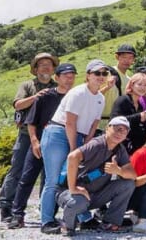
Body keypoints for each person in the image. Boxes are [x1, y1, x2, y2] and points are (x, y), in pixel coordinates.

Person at [39, 59, 107, 234]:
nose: (101, 77)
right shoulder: (78, 93)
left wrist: (85, 146)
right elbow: (70, 122)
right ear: (88, 76)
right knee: (54, 180)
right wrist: (73, 148)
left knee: (76, 179)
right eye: (97, 73)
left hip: (80, 136)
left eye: (104, 73)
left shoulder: (100, 98)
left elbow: (94, 125)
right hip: (59, 134)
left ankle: (83, 218)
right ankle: (46, 221)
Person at [7, 62, 76, 230]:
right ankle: (17, 214)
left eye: (72, 76)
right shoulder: (45, 95)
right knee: (27, 177)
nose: (69, 79)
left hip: (60, 145)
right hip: (39, 141)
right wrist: (34, 141)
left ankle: (50, 216)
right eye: (65, 75)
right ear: (57, 77)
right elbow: (31, 121)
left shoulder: (75, 97)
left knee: (51, 180)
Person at [0, 52, 58, 222]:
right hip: (26, 134)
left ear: (53, 68)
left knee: (48, 173)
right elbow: (17, 105)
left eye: (49, 64)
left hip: (50, 135)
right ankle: (6, 205)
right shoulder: (27, 85)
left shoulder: (57, 86)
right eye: (42, 64)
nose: (46, 66)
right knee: (17, 170)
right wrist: (35, 97)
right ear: (36, 68)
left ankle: (44, 208)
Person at [56, 116, 138, 235]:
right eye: (117, 129)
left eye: (124, 131)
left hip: (93, 196)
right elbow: (72, 157)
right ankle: (67, 224)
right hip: (71, 193)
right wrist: (73, 188)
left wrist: (119, 170)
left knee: (128, 184)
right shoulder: (97, 144)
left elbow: (133, 175)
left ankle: (110, 223)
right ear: (108, 128)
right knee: (78, 202)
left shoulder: (120, 149)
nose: (120, 133)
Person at [110, 72, 146, 153]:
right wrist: (138, 117)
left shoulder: (140, 105)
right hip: (116, 145)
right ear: (132, 85)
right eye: (139, 84)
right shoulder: (123, 100)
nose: (143, 87)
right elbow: (115, 120)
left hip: (130, 148)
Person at [100, 44, 136, 128]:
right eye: (124, 57)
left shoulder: (130, 80)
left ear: (133, 60)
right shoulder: (106, 73)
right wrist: (107, 87)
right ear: (117, 57)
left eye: (130, 58)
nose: (127, 60)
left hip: (118, 124)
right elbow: (92, 95)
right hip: (100, 122)